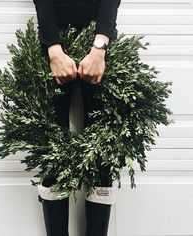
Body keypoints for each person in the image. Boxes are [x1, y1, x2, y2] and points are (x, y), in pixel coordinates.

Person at [32, 0, 122, 235]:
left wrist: (100, 46)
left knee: (103, 151)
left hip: (101, 44)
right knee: (53, 151)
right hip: (54, 45)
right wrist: (53, 48)